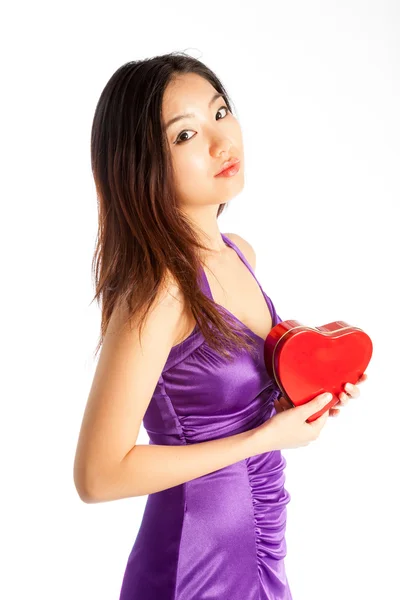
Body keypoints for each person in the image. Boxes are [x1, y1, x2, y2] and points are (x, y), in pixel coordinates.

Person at [73, 52, 366, 600]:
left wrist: (294, 404)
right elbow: (97, 474)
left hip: (260, 541)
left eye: (221, 112)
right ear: (143, 163)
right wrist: (263, 438)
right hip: (192, 563)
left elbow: (230, 406)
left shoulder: (241, 254)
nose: (220, 142)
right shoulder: (159, 290)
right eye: (185, 136)